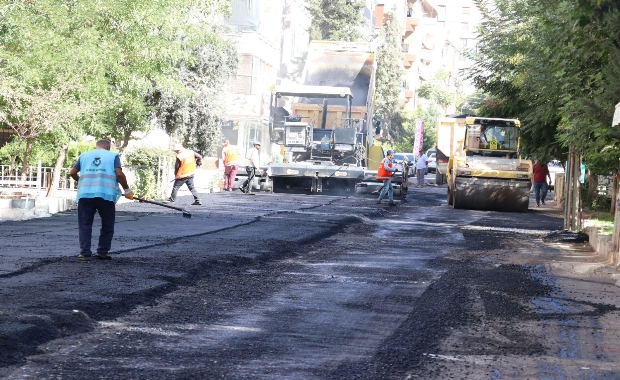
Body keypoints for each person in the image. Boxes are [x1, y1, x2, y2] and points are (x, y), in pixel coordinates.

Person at [69, 139, 134, 261]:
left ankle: (84, 253)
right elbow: (119, 174)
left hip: (86, 194)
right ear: (108, 147)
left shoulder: (84, 155)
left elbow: (72, 172)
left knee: (85, 224)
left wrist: (81, 181)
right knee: (107, 224)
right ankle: (102, 252)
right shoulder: (113, 155)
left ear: (96, 146)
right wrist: (127, 190)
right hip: (106, 194)